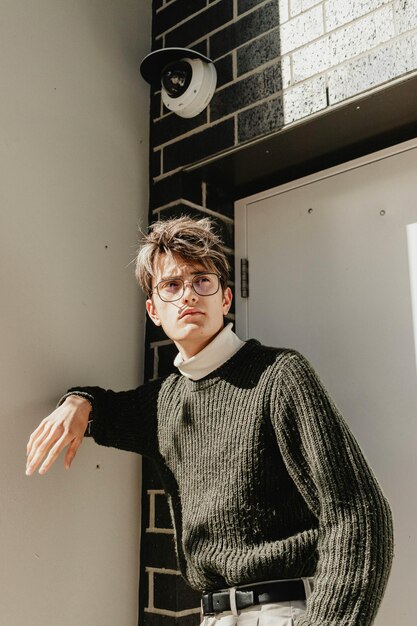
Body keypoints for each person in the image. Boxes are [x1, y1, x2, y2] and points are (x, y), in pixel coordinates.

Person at [26, 216, 394, 626]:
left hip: (283, 613)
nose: (189, 295)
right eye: (172, 285)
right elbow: (106, 410)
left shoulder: (280, 375)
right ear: (153, 311)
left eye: (202, 280)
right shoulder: (163, 402)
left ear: (225, 298)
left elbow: (358, 514)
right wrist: (78, 402)